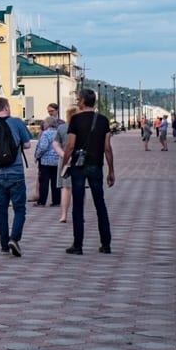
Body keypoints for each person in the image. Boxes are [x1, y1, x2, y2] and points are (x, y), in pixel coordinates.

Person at [61, 89, 115, 254]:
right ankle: (106, 244)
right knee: (100, 203)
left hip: (78, 165)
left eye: (78, 99)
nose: (77, 101)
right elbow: (107, 147)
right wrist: (111, 170)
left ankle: (78, 245)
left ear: (83, 101)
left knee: (78, 205)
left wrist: (64, 163)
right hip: (96, 166)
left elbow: (70, 145)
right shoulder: (103, 120)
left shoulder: (75, 120)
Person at [0, 96, 32, 257]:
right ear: (7, 108)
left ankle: (4, 244)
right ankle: (14, 238)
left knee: (1, 210)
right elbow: (27, 144)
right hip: (16, 173)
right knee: (20, 209)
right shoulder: (16, 122)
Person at [55, 105, 79, 222]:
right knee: (79, 188)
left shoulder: (62, 128)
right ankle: (80, 214)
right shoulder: (83, 128)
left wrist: (64, 155)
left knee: (66, 188)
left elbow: (55, 144)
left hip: (65, 161)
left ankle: (64, 214)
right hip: (79, 160)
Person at [34, 116, 62, 207]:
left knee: (44, 182)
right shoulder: (58, 132)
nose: (44, 124)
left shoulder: (46, 133)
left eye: (45, 123)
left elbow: (43, 147)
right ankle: (56, 201)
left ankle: (42, 201)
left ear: (48, 124)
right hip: (57, 161)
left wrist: (37, 155)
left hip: (46, 161)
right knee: (55, 182)